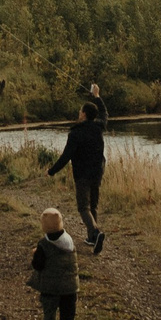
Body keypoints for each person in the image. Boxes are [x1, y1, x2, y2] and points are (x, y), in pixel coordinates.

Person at [47, 82, 108, 253]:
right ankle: (92, 238)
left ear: (84, 114)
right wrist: (97, 96)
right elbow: (104, 112)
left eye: (80, 111)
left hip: (82, 175)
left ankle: (95, 233)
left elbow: (66, 156)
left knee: (83, 207)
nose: (79, 113)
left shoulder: (75, 133)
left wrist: (51, 171)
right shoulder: (99, 127)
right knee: (93, 205)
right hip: (97, 172)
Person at [26, 206, 80, 320]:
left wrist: (35, 254)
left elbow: (38, 265)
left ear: (44, 227)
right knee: (67, 318)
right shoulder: (69, 241)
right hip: (70, 288)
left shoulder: (44, 244)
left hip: (51, 289)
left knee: (49, 317)